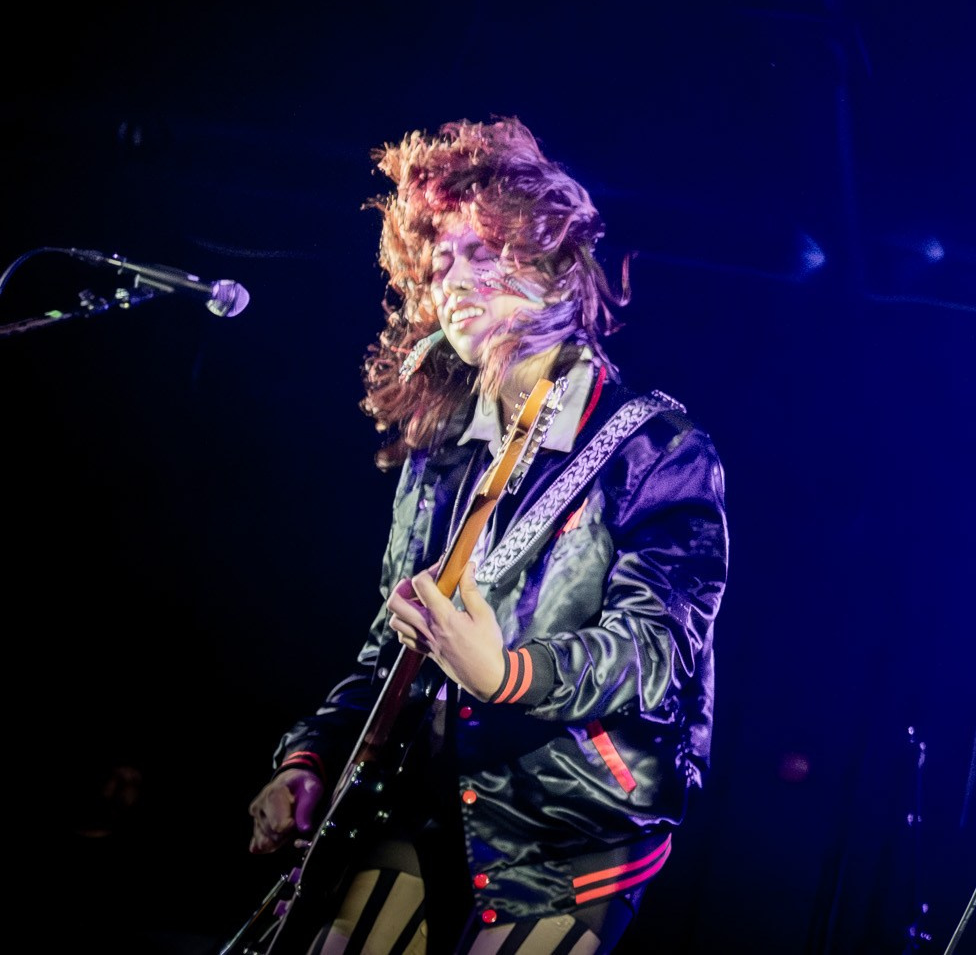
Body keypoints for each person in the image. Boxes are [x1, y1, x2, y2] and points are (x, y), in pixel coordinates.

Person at [245, 118, 727, 955]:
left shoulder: (658, 447)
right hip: (422, 796)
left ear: (550, 262)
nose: (453, 279)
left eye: (481, 251)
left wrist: (506, 673)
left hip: (570, 824)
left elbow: (656, 652)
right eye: (438, 263)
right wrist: (308, 758)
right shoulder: (436, 456)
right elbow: (386, 653)